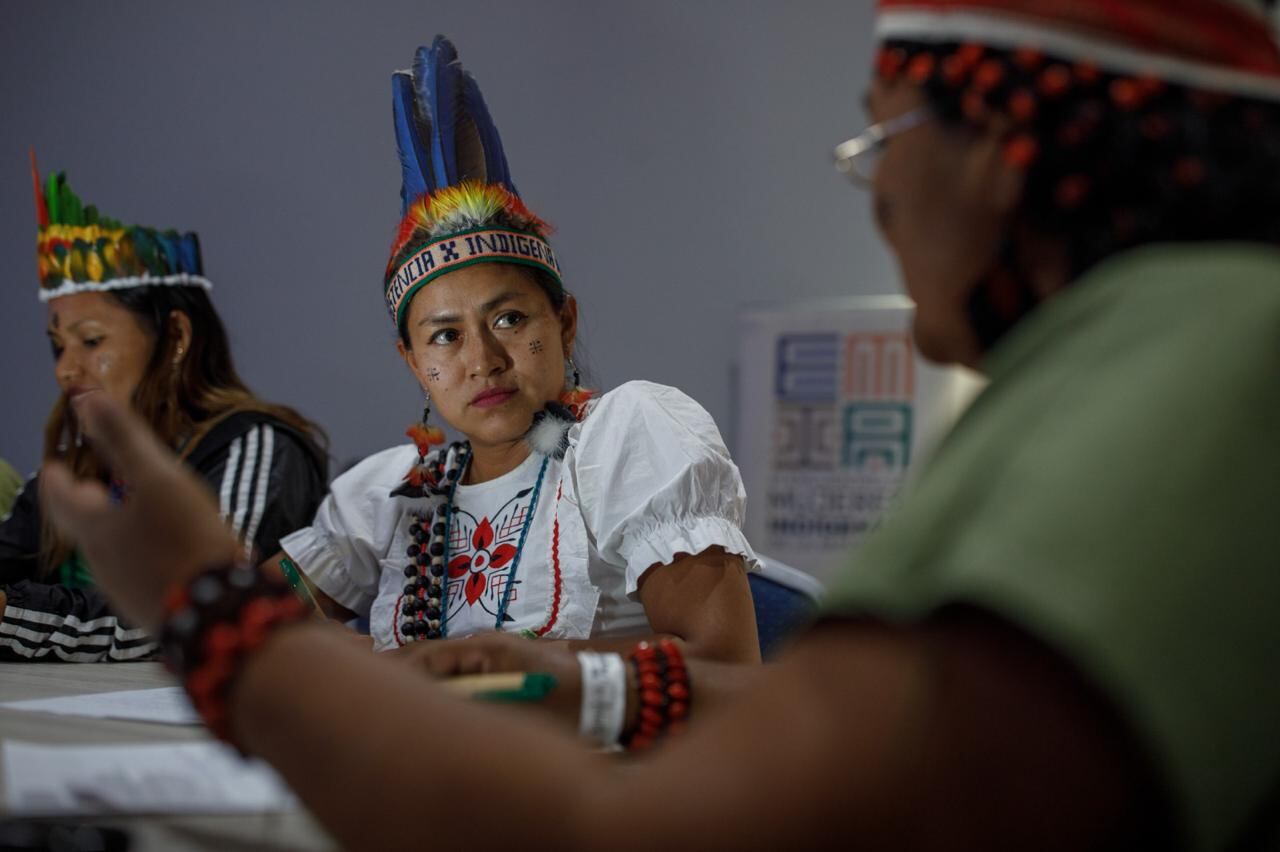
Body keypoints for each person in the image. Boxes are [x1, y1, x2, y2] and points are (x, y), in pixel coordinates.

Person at [39, 1, 1280, 848]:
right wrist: (588, 689)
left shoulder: (1210, 362)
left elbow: (641, 834)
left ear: (1006, 155)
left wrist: (212, 613)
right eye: (441, 334)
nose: (874, 181)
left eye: (884, 133)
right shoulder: (1145, 356)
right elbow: (872, 718)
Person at [265, 36, 761, 678]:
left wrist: (477, 664)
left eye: (509, 319)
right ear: (414, 363)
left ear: (564, 322)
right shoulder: (399, 493)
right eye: (445, 336)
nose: (484, 359)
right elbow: (243, 626)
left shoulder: (619, 444)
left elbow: (725, 666)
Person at [0, 161, 328, 662]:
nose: (67, 370)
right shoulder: (68, 468)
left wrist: (10, 612)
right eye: (56, 347)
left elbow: (200, 612)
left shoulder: (256, 447)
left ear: (175, 337)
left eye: (91, 341)